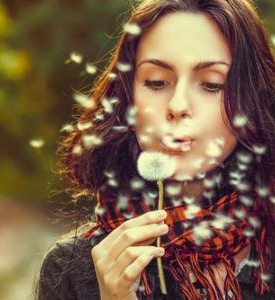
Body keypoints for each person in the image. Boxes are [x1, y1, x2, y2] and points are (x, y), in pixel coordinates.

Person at [35, 0, 275, 299]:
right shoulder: (74, 267)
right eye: (157, 82)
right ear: (127, 97)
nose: (177, 106)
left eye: (212, 84)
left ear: (252, 99)